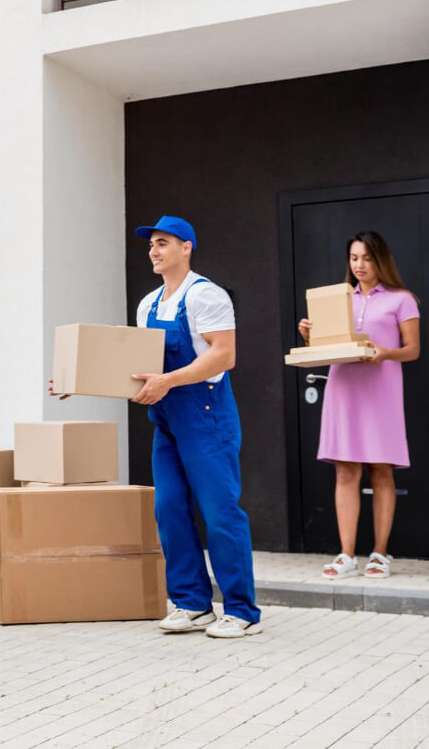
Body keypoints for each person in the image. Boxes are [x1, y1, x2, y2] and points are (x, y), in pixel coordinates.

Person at [52, 216, 261, 637]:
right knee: (169, 509)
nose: (153, 250)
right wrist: (79, 381)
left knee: (220, 513)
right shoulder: (148, 304)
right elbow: (137, 363)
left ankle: (241, 611)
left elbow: (224, 355)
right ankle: (192, 604)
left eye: (163, 243)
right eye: (150, 244)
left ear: (187, 247)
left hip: (206, 415)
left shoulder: (207, 296)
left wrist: (169, 381)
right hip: (166, 420)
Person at [301, 231, 421, 581]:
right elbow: (329, 345)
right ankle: (347, 554)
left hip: (381, 388)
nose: (359, 265)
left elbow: (412, 349)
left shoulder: (402, 299)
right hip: (344, 388)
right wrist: (311, 336)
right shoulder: (339, 300)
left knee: (381, 470)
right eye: (354, 258)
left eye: (366, 258)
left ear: (380, 259)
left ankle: (380, 554)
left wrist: (386, 352)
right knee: (345, 470)